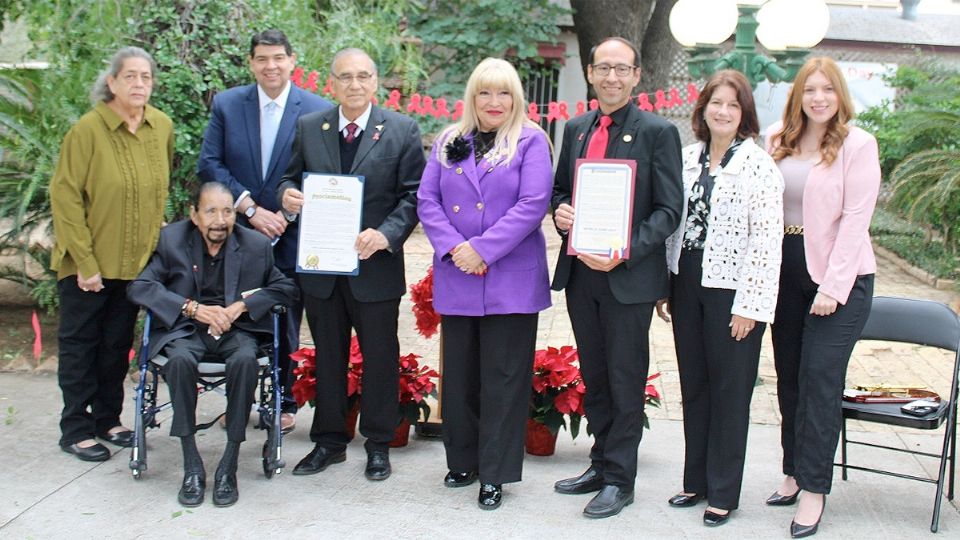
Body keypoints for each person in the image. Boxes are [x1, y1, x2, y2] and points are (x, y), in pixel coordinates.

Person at [550, 36, 683, 518]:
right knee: (596, 375)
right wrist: (560, 213)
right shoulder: (577, 127)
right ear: (589, 72)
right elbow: (561, 190)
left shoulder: (658, 131)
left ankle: (620, 480)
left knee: (626, 378)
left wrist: (624, 249)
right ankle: (600, 462)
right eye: (603, 68)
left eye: (621, 69)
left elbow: (670, 211)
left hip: (627, 277)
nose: (611, 77)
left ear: (636, 75)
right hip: (582, 274)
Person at [278, 47, 426, 482]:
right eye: (346, 77)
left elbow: (414, 195)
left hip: (375, 267)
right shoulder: (310, 127)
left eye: (363, 76)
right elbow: (289, 178)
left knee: (380, 357)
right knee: (327, 356)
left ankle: (379, 443)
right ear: (332, 83)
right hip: (322, 267)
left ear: (376, 82)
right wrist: (286, 197)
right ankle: (329, 441)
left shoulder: (401, 129)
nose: (355, 85)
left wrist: (387, 234)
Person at [417, 58, 553, 510]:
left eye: (504, 93)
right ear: (471, 97)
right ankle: (463, 460)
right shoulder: (449, 140)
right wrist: (457, 248)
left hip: (509, 280)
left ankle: (494, 473)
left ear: (516, 98)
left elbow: (533, 204)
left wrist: (483, 249)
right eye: (484, 93)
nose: (494, 103)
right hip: (459, 274)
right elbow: (427, 199)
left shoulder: (532, 141)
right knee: (461, 376)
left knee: (504, 379)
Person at [657, 70, 784, 526]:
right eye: (716, 102)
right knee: (695, 385)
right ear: (703, 108)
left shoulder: (757, 164)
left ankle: (724, 491)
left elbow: (768, 242)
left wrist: (751, 305)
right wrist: (665, 286)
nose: (723, 111)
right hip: (686, 281)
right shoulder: (687, 157)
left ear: (744, 113)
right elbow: (672, 225)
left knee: (730, 391)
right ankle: (696, 480)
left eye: (733, 104)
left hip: (734, 290)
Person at [765, 56, 881, 538]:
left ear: (840, 96)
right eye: (809, 89)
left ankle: (814, 490)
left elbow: (856, 219)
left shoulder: (858, 144)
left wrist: (833, 287)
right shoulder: (776, 139)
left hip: (841, 278)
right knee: (789, 379)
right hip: (783, 276)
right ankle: (794, 471)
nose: (818, 98)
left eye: (827, 90)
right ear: (798, 94)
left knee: (817, 382)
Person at [127, 182, 297, 508]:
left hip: (237, 331)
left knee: (246, 361)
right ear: (194, 215)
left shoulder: (255, 244)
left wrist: (240, 307)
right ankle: (191, 462)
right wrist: (191, 308)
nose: (220, 220)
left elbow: (285, 289)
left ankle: (229, 464)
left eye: (227, 211)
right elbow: (140, 287)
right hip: (187, 330)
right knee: (178, 362)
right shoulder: (172, 241)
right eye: (211, 211)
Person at [197, 29, 333, 434]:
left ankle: (285, 401)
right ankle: (236, 401)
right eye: (262, 58)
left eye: (278, 58)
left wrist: (285, 216)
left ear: (293, 61)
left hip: (293, 235)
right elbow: (210, 164)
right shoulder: (227, 104)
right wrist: (251, 210)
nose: (270, 66)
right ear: (251, 62)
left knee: (287, 316)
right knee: (235, 314)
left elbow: (322, 174)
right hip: (237, 233)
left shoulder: (316, 109)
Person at [50, 46, 173, 462]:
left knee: (116, 345)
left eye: (146, 77)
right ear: (112, 82)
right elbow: (65, 197)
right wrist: (85, 263)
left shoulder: (161, 126)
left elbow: (160, 192)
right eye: (130, 77)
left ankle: (108, 419)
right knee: (81, 345)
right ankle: (76, 427)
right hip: (90, 264)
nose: (139, 84)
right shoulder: (87, 130)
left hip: (135, 265)